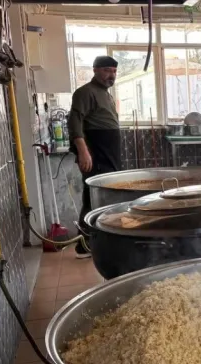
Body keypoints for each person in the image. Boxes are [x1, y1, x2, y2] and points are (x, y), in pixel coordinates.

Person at [68, 55, 121, 259]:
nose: (111, 75)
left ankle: (102, 241)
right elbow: (75, 123)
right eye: (107, 70)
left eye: (114, 71)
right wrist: (83, 151)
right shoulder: (85, 92)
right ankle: (84, 246)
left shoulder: (106, 94)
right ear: (95, 70)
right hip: (96, 152)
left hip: (109, 151)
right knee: (93, 198)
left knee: (107, 197)